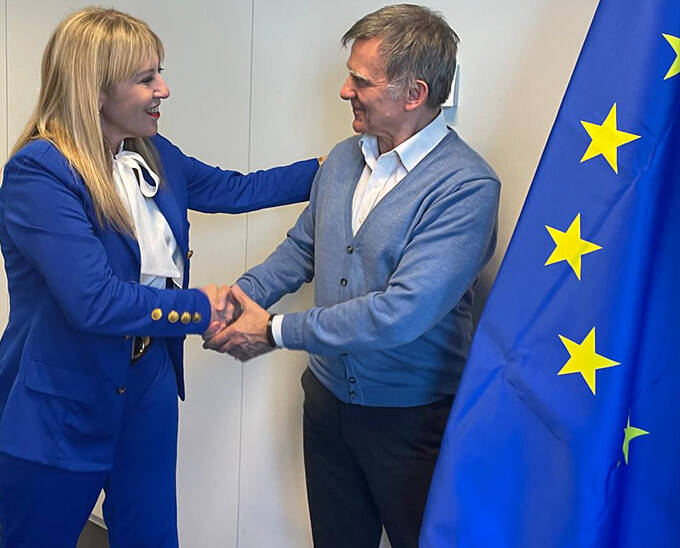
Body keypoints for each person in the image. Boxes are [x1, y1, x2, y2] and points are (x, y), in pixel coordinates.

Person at [0, 7, 319, 547]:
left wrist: (333, 167)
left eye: (159, 72)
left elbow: (238, 189)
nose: (164, 89)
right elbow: (94, 301)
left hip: (148, 380)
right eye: (146, 78)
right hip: (62, 395)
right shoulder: (40, 173)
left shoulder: (152, 154)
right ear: (95, 89)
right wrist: (204, 308)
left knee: (152, 535)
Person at [204, 5, 500, 547]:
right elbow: (302, 249)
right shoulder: (344, 159)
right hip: (326, 404)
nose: (345, 91)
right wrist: (239, 299)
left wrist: (272, 331)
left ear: (413, 93)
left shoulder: (466, 188)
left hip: (411, 422)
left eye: (361, 81)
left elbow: (400, 313)